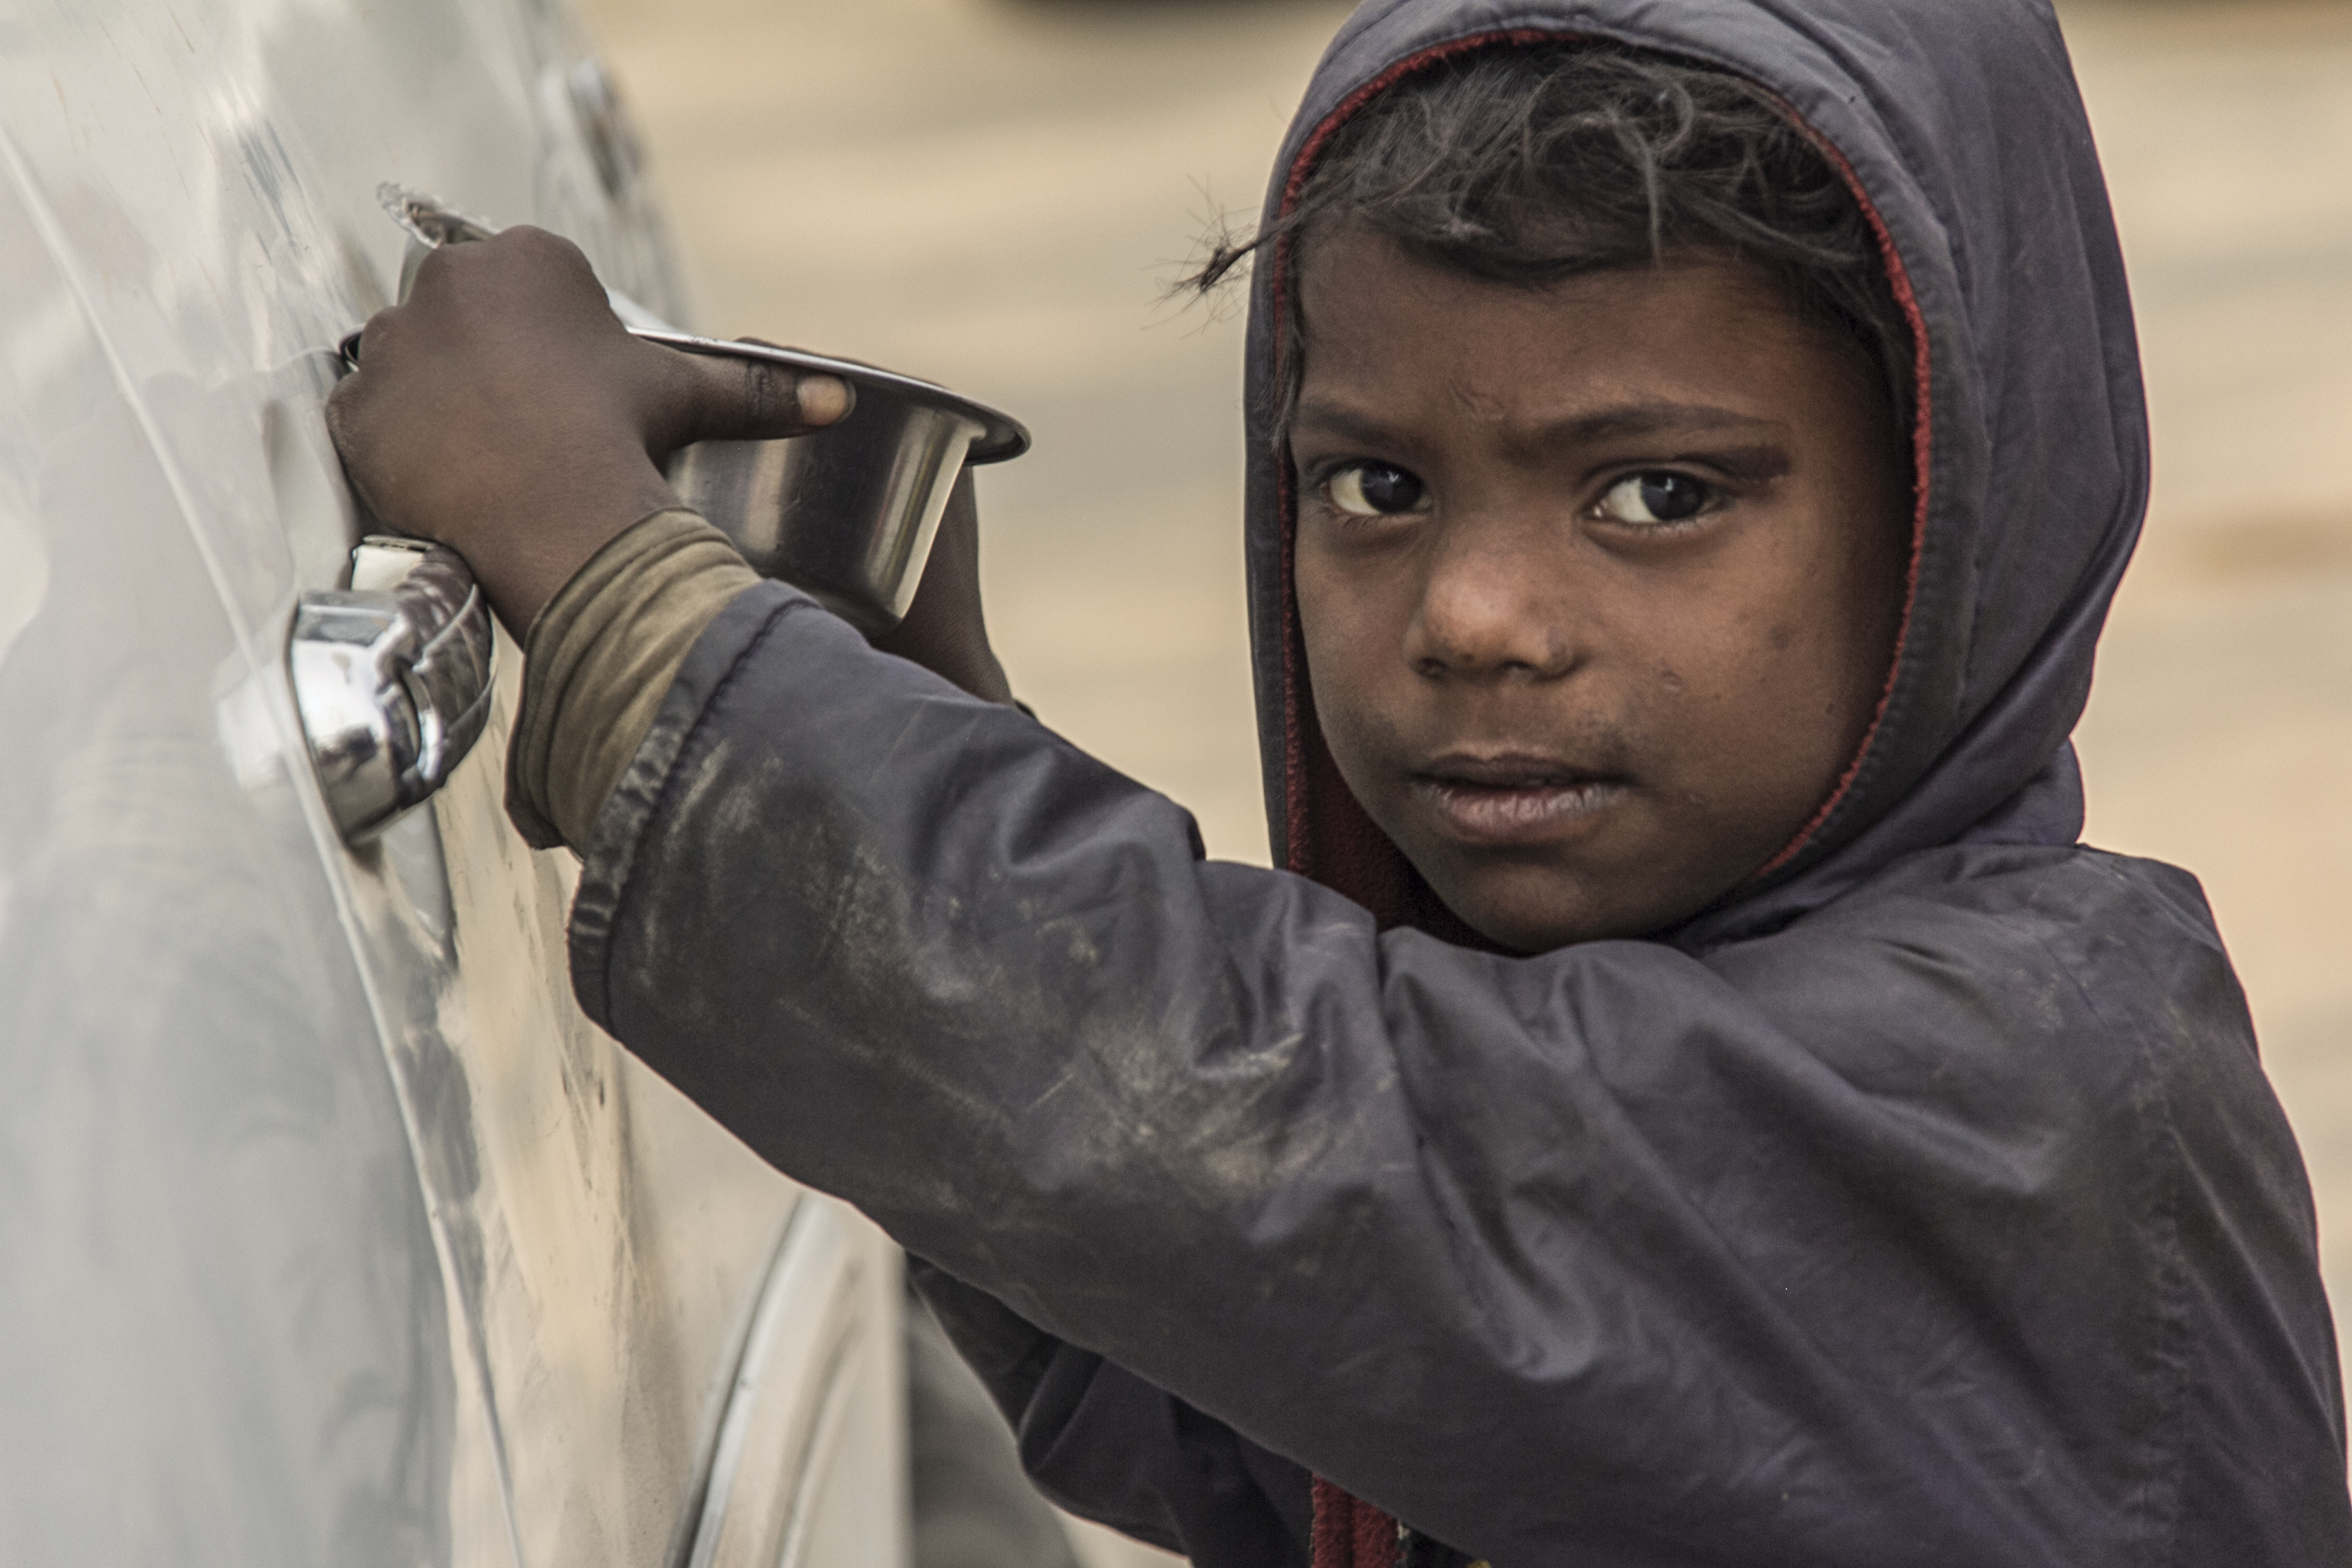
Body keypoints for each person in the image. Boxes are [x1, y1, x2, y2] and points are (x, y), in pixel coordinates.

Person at [326, 0, 2352, 1563]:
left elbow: (1296, 1144)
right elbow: (1242, 1365)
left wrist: (624, 600)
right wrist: (901, 706)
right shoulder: (1583, 1024)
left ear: (1957, 535)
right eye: (1374, 486)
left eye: (1658, 496)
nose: (1473, 616)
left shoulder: (2025, 1089)